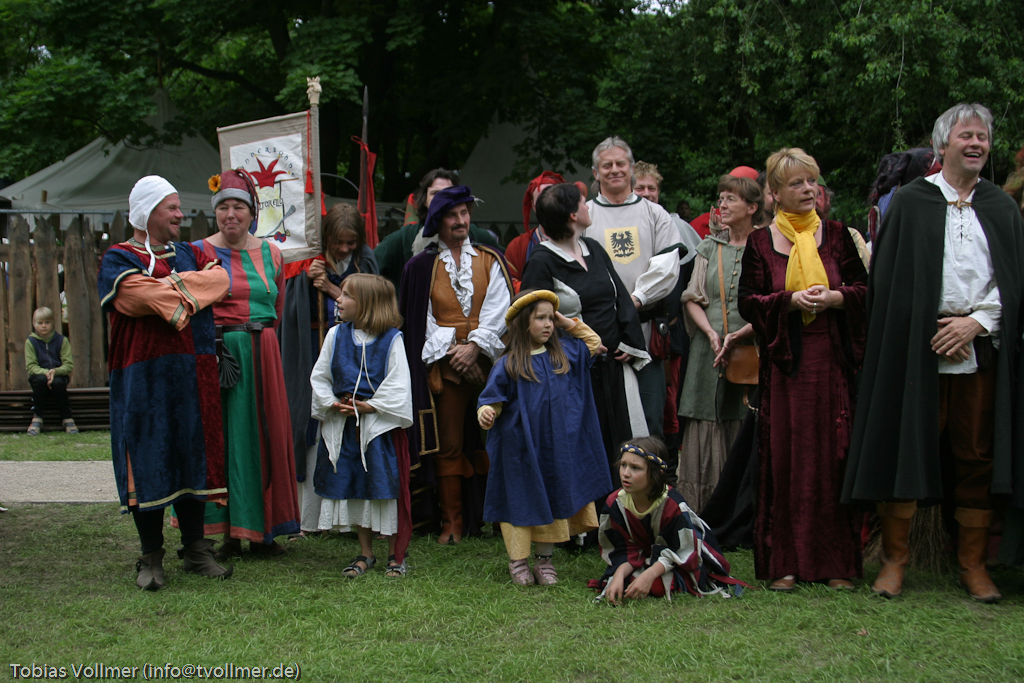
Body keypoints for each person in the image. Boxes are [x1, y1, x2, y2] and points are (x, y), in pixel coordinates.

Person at [843, 103, 1024, 602]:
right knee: (906, 445)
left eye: (982, 137)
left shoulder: (1001, 206)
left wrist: (976, 322)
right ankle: (895, 560)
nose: (976, 144)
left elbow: (1013, 281)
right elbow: (890, 281)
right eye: (966, 135)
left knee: (977, 455)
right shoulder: (911, 201)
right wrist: (929, 326)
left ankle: (973, 565)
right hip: (915, 346)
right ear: (943, 145)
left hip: (980, 347)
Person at [738, 148, 867, 591]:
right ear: (774, 194)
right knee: (786, 461)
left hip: (831, 365)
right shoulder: (760, 243)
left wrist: (835, 298)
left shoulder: (838, 236)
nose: (809, 189)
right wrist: (789, 301)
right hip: (786, 369)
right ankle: (785, 563)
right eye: (797, 183)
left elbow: (865, 290)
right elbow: (748, 302)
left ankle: (835, 563)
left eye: (812, 181)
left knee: (832, 457)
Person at [97, 175, 233, 590]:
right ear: (147, 212)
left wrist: (166, 289)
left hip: (194, 371)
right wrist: (186, 292)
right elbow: (134, 296)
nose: (180, 214)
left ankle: (195, 549)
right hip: (142, 375)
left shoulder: (191, 252)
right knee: (148, 455)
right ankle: (151, 555)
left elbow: (220, 280)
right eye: (171, 207)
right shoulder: (118, 258)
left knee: (192, 455)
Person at [193, 169, 300, 557]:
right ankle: (226, 532)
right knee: (222, 439)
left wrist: (262, 344)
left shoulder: (272, 254)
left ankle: (263, 530)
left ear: (253, 212)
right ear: (215, 212)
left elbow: (277, 306)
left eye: (238, 206)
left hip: (262, 352)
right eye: (223, 207)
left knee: (264, 437)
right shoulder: (198, 252)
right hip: (218, 354)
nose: (230, 214)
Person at [399, 185, 513, 544]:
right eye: (452, 215)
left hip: (491, 365)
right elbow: (420, 319)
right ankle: (453, 523)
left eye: (465, 213)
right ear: (438, 220)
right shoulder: (421, 267)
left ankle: (501, 518)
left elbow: (500, 308)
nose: (461, 220)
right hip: (445, 367)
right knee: (448, 444)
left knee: (497, 439)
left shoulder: (490, 259)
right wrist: (457, 355)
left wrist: (476, 347)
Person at [477, 290, 612, 585]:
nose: (548, 324)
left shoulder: (564, 354)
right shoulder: (508, 364)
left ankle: (544, 560)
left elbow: (594, 342)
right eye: (541, 318)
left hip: (555, 449)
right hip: (520, 450)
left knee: (552, 496)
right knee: (520, 500)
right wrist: (486, 412)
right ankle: (518, 560)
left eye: (551, 318)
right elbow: (491, 400)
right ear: (523, 322)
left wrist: (566, 322)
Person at [521, 183, 650, 484]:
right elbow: (534, 318)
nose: (587, 206)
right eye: (582, 202)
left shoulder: (594, 249)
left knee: (621, 441)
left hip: (614, 368)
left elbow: (620, 297)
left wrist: (629, 342)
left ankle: (619, 507)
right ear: (571, 215)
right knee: (585, 447)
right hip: (572, 373)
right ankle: (587, 512)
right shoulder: (542, 261)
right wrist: (578, 344)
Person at [279, 203, 379, 537]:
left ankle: (348, 518)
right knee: (310, 422)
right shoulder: (307, 260)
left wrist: (332, 290)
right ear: (326, 238)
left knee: (348, 423)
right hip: (310, 351)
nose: (345, 248)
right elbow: (289, 309)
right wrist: (305, 282)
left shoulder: (365, 262)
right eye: (338, 242)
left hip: (352, 355)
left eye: (351, 242)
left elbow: (374, 312)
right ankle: (310, 516)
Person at [310, 274, 414, 577]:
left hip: (379, 428)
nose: (338, 299)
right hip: (347, 426)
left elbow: (399, 382)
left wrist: (372, 406)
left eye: (346, 295)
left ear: (367, 303)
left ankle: (395, 555)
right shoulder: (336, 335)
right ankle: (366, 553)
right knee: (357, 485)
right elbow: (320, 376)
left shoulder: (392, 338)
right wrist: (332, 403)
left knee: (385, 486)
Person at [585, 138, 682, 443]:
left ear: (631, 169)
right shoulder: (583, 215)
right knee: (603, 422)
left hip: (646, 332)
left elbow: (667, 268)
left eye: (620, 163)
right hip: (599, 336)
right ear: (596, 172)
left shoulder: (655, 214)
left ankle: (650, 474)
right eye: (607, 165)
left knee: (650, 420)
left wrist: (634, 302)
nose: (614, 170)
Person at [677, 175, 763, 513]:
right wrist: (711, 334)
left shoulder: (766, 245)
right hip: (708, 350)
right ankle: (704, 510)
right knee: (706, 418)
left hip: (750, 350)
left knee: (743, 417)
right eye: (721, 198)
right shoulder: (708, 247)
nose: (722, 205)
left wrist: (741, 334)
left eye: (731, 199)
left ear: (752, 207)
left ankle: (741, 509)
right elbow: (692, 297)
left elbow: (773, 300)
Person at [591, 437, 738, 603]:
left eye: (635, 468)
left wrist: (649, 575)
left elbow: (683, 549)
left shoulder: (672, 505)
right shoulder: (615, 503)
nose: (625, 473)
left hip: (676, 558)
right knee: (620, 581)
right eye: (623, 465)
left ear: (656, 473)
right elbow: (623, 548)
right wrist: (618, 574)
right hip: (641, 558)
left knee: (657, 586)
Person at [633, 160, 702, 480]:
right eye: (641, 187)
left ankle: (666, 473)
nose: (647, 193)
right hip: (628, 330)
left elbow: (685, 281)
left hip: (667, 333)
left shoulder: (672, 226)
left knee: (667, 406)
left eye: (653, 188)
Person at [375, 169, 501, 288]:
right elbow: (370, 273)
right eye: (435, 193)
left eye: (447, 193)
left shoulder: (476, 235)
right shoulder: (404, 238)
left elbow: (506, 269)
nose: (441, 199)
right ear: (424, 199)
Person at [24, 306, 77, 435]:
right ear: (34, 324)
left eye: (47, 322)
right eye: (40, 323)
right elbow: (31, 366)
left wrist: (55, 371)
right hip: (39, 376)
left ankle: (67, 418)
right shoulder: (31, 342)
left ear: (52, 323)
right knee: (40, 380)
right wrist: (46, 373)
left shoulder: (62, 340)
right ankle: (37, 417)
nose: (43, 326)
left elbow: (68, 365)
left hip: (58, 375)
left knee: (58, 383)